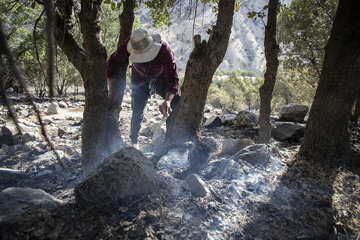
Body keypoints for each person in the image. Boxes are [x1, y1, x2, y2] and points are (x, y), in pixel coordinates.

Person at [106, 28, 180, 145]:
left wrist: (168, 100)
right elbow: (113, 62)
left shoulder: (164, 49)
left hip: (161, 79)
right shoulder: (128, 44)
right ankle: (133, 142)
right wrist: (113, 90)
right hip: (139, 80)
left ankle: (172, 140)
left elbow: (173, 79)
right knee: (137, 112)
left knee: (177, 104)